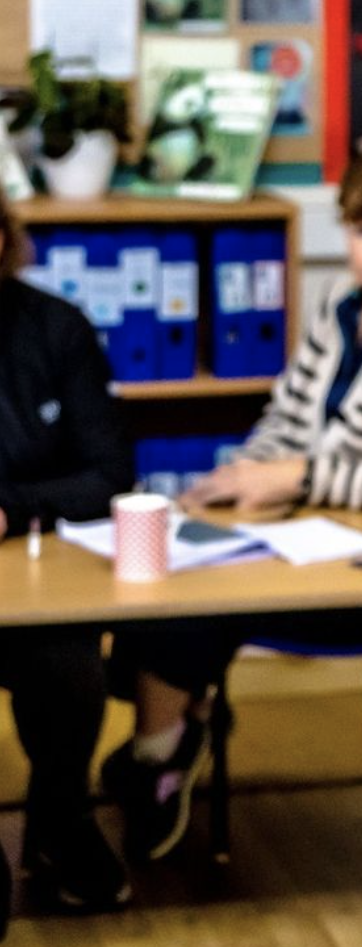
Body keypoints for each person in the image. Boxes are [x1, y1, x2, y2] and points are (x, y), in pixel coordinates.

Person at [104, 134, 362, 862]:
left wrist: (294, 480)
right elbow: (285, 420)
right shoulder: (343, 306)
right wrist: (232, 486)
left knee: (196, 602)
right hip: (315, 537)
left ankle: (159, 754)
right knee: (165, 575)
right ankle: (174, 734)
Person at [0, 184, 135, 914]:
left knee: (71, 674)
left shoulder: (58, 329)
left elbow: (111, 474)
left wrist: (13, 507)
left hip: (38, 571)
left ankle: (60, 816)